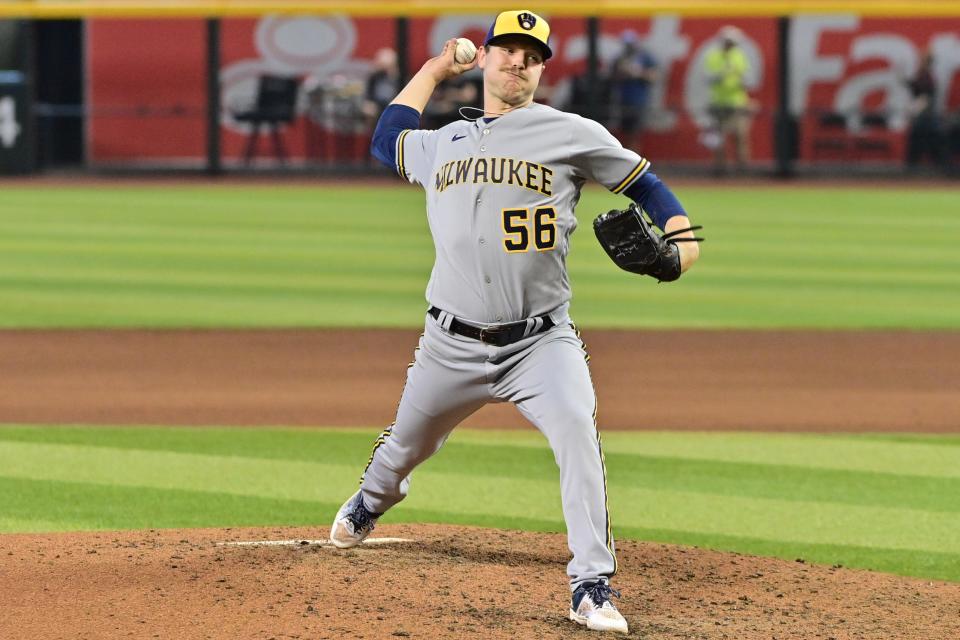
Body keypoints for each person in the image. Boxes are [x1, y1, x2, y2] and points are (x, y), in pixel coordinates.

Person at [329, 9, 700, 635]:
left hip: (540, 342)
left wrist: (683, 247)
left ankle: (591, 583)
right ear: (489, 56)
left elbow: (649, 187)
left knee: (577, 430)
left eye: (531, 55)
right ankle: (372, 499)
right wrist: (436, 66)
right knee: (403, 449)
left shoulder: (570, 133)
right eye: (507, 50)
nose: (517, 62)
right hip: (449, 342)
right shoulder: (441, 141)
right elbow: (385, 137)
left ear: (541, 68)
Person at [703, 25, 753, 174]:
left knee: (740, 136)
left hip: (737, 102)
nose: (731, 45)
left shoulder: (739, 56)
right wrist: (723, 73)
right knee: (719, 139)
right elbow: (709, 79)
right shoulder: (714, 57)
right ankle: (721, 169)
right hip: (719, 103)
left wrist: (740, 78)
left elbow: (747, 80)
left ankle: (743, 170)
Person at [611, 30, 658, 151]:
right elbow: (612, 78)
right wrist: (623, 73)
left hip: (639, 101)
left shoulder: (645, 57)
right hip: (623, 100)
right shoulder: (619, 59)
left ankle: (636, 162)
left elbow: (653, 77)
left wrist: (638, 73)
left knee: (635, 133)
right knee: (623, 132)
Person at [905, 49, 946, 171]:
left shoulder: (927, 76)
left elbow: (925, 96)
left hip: (926, 116)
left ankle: (936, 169)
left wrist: (914, 109)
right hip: (924, 116)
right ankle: (914, 168)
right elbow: (918, 90)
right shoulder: (923, 75)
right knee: (923, 144)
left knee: (925, 143)